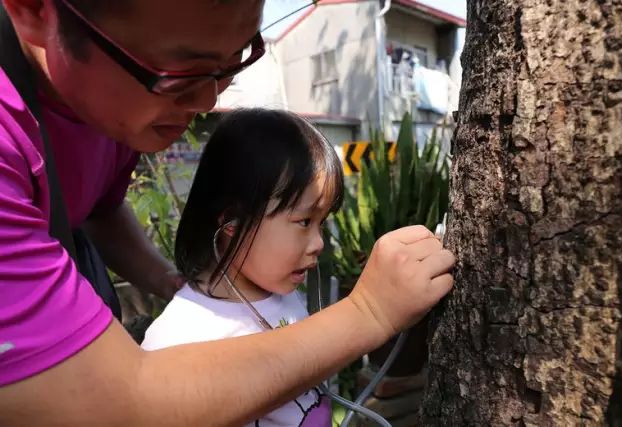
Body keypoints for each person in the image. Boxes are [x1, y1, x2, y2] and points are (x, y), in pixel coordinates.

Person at [0, 1, 456, 426]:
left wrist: (166, 279)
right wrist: (370, 311)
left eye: (232, 63)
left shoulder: (115, 109)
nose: (205, 102)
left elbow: (98, 206)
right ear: (35, 10)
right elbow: (119, 399)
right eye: (177, 76)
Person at [143, 109, 343, 426]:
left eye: (322, 222)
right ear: (233, 222)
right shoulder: (177, 339)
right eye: (304, 221)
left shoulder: (282, 293)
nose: (318, 242)